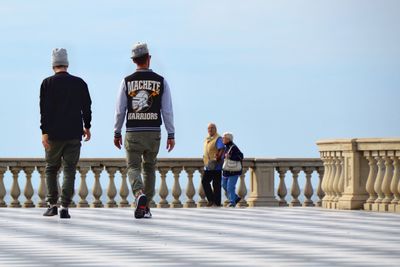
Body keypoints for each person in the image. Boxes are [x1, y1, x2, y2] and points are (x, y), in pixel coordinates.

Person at [114, 42, 175, 219]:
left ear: (134, 61)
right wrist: (171, 134)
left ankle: (138, 193)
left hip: (133, 131)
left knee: (133, 166)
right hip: (154, 131)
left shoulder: (126, 82)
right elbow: (167, 110)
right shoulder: (161, 81)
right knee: (149, 168)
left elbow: (120, 110)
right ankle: (145, 206)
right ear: (148, 59)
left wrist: (117, 132)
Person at [40, 48, 92, 219]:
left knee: (51, 169)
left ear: (53, 64)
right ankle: (64, 207)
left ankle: (52, 205)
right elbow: (87, 106)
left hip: (53, 135)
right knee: (69, 170)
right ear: (66, 63)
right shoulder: (79, 83)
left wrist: (44, 132)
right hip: (73, 133)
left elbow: (44, 111)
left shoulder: (47, 83)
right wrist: (87, 126)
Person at [202, 123, 224, 207]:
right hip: (208, 165)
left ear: (215, 129)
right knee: (206, 182)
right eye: (208, 128)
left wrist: (218, 157)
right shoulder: (207, 139)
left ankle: (215, 202)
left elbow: (221, 149)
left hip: (216, 165)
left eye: (212, 128)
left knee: (215, 184)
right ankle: (212, 200)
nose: (210, 130)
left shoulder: (218, 138)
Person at [221, 132, 243, 207]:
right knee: (224, 185)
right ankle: (236, 198)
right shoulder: (225, 147)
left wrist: (230, 157)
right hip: (226, 171)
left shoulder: (233, 147)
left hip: (233, 171)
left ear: (228, 139)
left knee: (230, 187)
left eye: (224, 138)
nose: (222, 139)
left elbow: (241, 156)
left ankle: (232, 202)